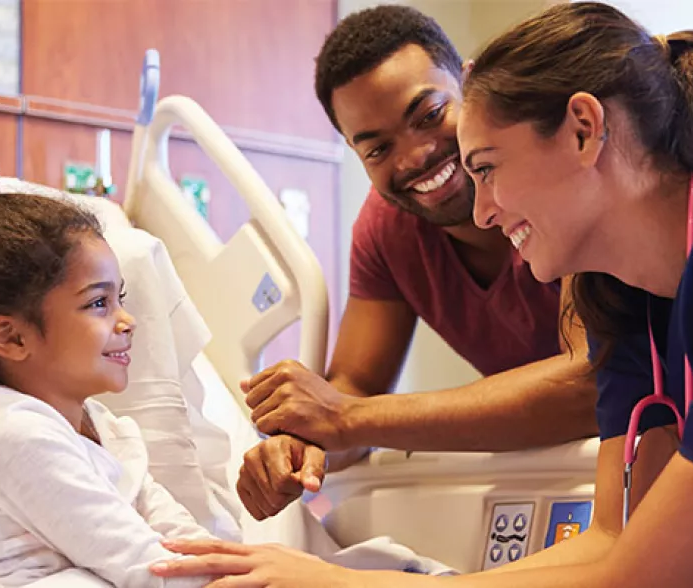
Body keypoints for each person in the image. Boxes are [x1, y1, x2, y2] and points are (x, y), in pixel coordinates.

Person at [151, 2, 693, 586]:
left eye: (484, 165)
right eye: (376, 148)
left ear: (583, 130)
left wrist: (342, 581)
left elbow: (642, 571)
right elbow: (615, 546)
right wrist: (312, 448)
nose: (483, 212)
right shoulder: (626, 296)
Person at [234, 4, 599, 523]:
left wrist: (346, 418)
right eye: (377, 148)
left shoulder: (561, 177)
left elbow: (589, 383)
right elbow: (356, 382)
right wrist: (303, 444)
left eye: (429, 115)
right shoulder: (387, 232)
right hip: (561, 474)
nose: (413, 157)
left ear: (471, 83)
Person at [0, 158, 215, 588]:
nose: (127, 321)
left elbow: (185, 544)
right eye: (98, 303)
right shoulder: (11, 436)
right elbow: (152, 570)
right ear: (12, 339)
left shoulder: (103, 428)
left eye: (120, 298)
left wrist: (250, 568)